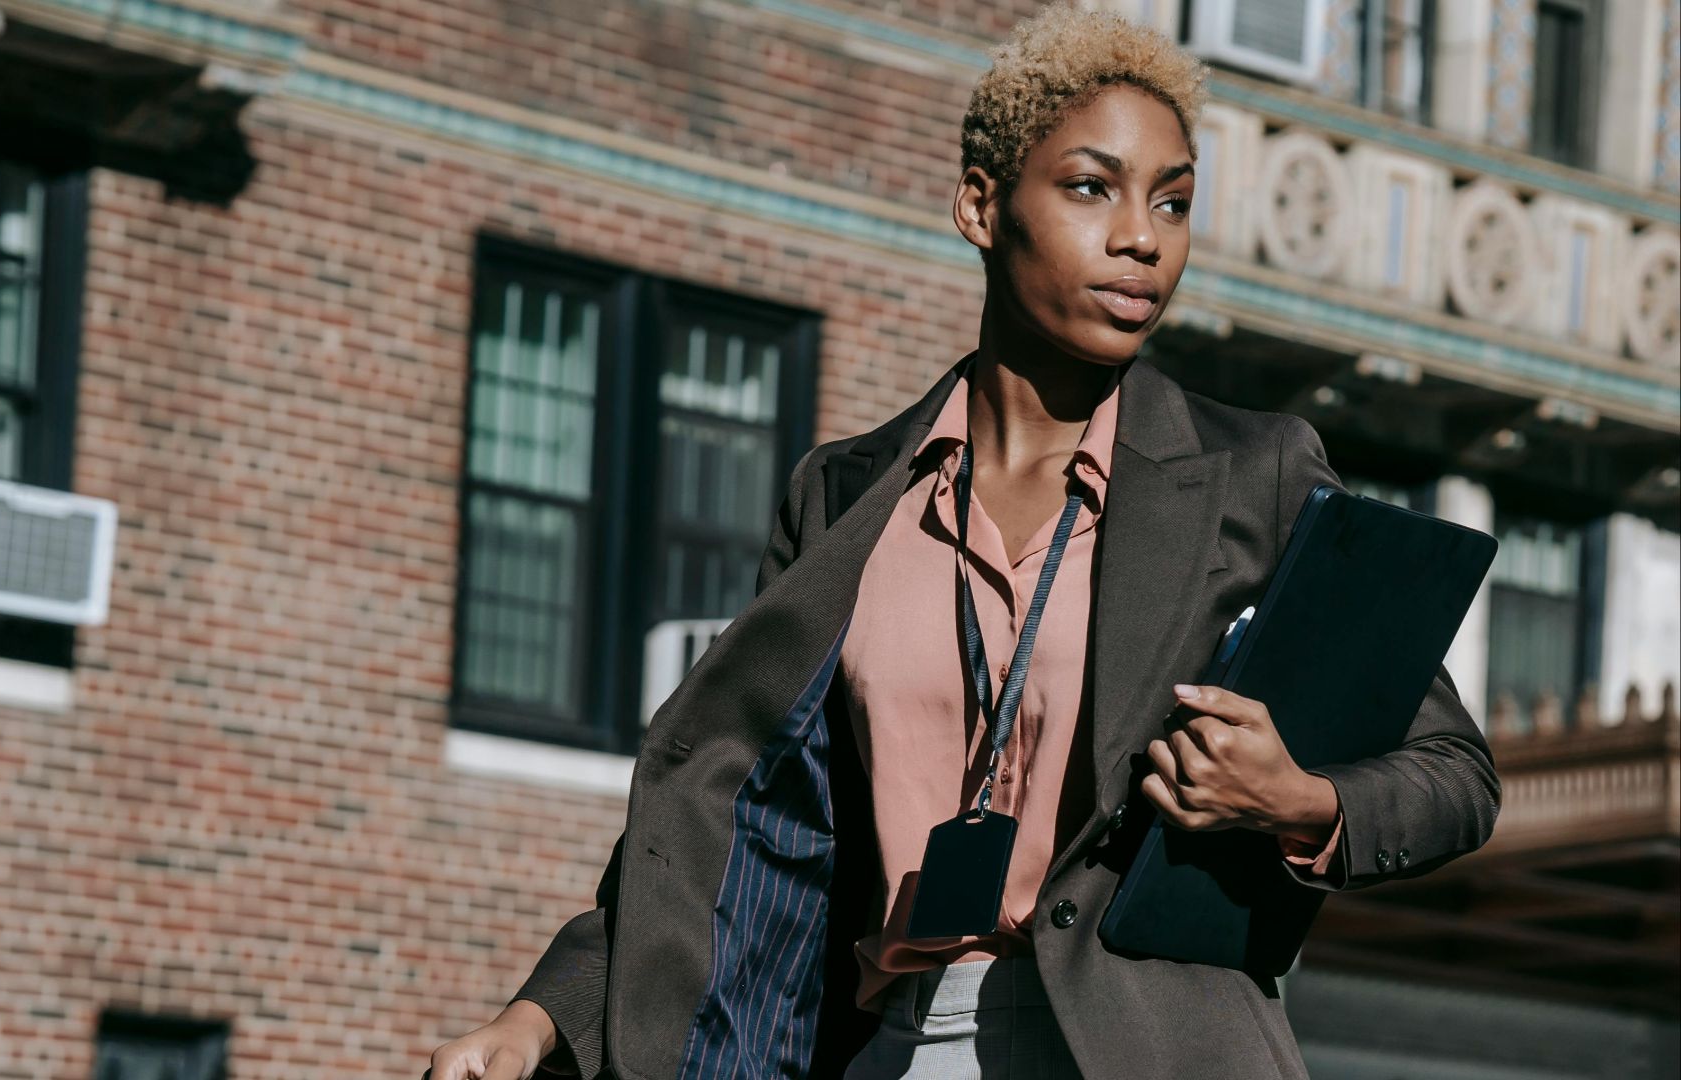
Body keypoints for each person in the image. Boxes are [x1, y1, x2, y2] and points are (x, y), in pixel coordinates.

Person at [427, 10, 1498, 1080]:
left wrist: (1301, 800)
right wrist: (541, 1018)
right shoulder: (845, 494)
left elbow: (1454, 774)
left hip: (1152, 1051)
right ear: (982, 205)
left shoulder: (1253, 474)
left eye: (1173, 200)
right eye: (1093, 187)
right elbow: (729, 813)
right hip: (895, 1045)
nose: (1143, 236)